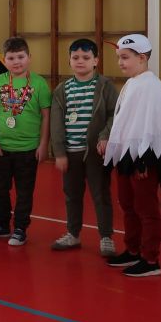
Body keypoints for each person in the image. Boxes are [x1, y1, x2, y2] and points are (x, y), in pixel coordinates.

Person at [104, 33, 161, 277]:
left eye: (125, 57)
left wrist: (145, 159)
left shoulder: (151, 86)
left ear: (142, 58)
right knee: (128, 204)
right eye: (119, 57)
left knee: (146, 208)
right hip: (127, 155)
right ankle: (133, 249)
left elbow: (154, 125)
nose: (120, 62)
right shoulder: (133, 83)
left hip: (143, 158)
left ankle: (150, 259)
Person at [50, 39, 119, 256]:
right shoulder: (62, 89)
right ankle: (73, 234)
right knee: (72, 195)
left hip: (96, 153)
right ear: (69, 60)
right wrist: (59, 153)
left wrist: (105, 136)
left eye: (86, 57)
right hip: (71, 153)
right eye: (75, 57)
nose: (80, 61)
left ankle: (106, 237)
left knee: (101, 194)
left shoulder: (105, 86)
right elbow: (56, 123)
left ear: (96, 60)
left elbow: (115, 115)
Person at [0, 37, 51, 246]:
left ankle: (20, 228)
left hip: (28, 149)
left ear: (29, 57)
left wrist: (43, 144)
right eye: (11, 58)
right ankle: (2, 225)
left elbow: (46, 116)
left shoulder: (39, 83)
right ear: (4, 60)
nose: (16, 62)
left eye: (20, 57)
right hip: (2, 147)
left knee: (24, 191)